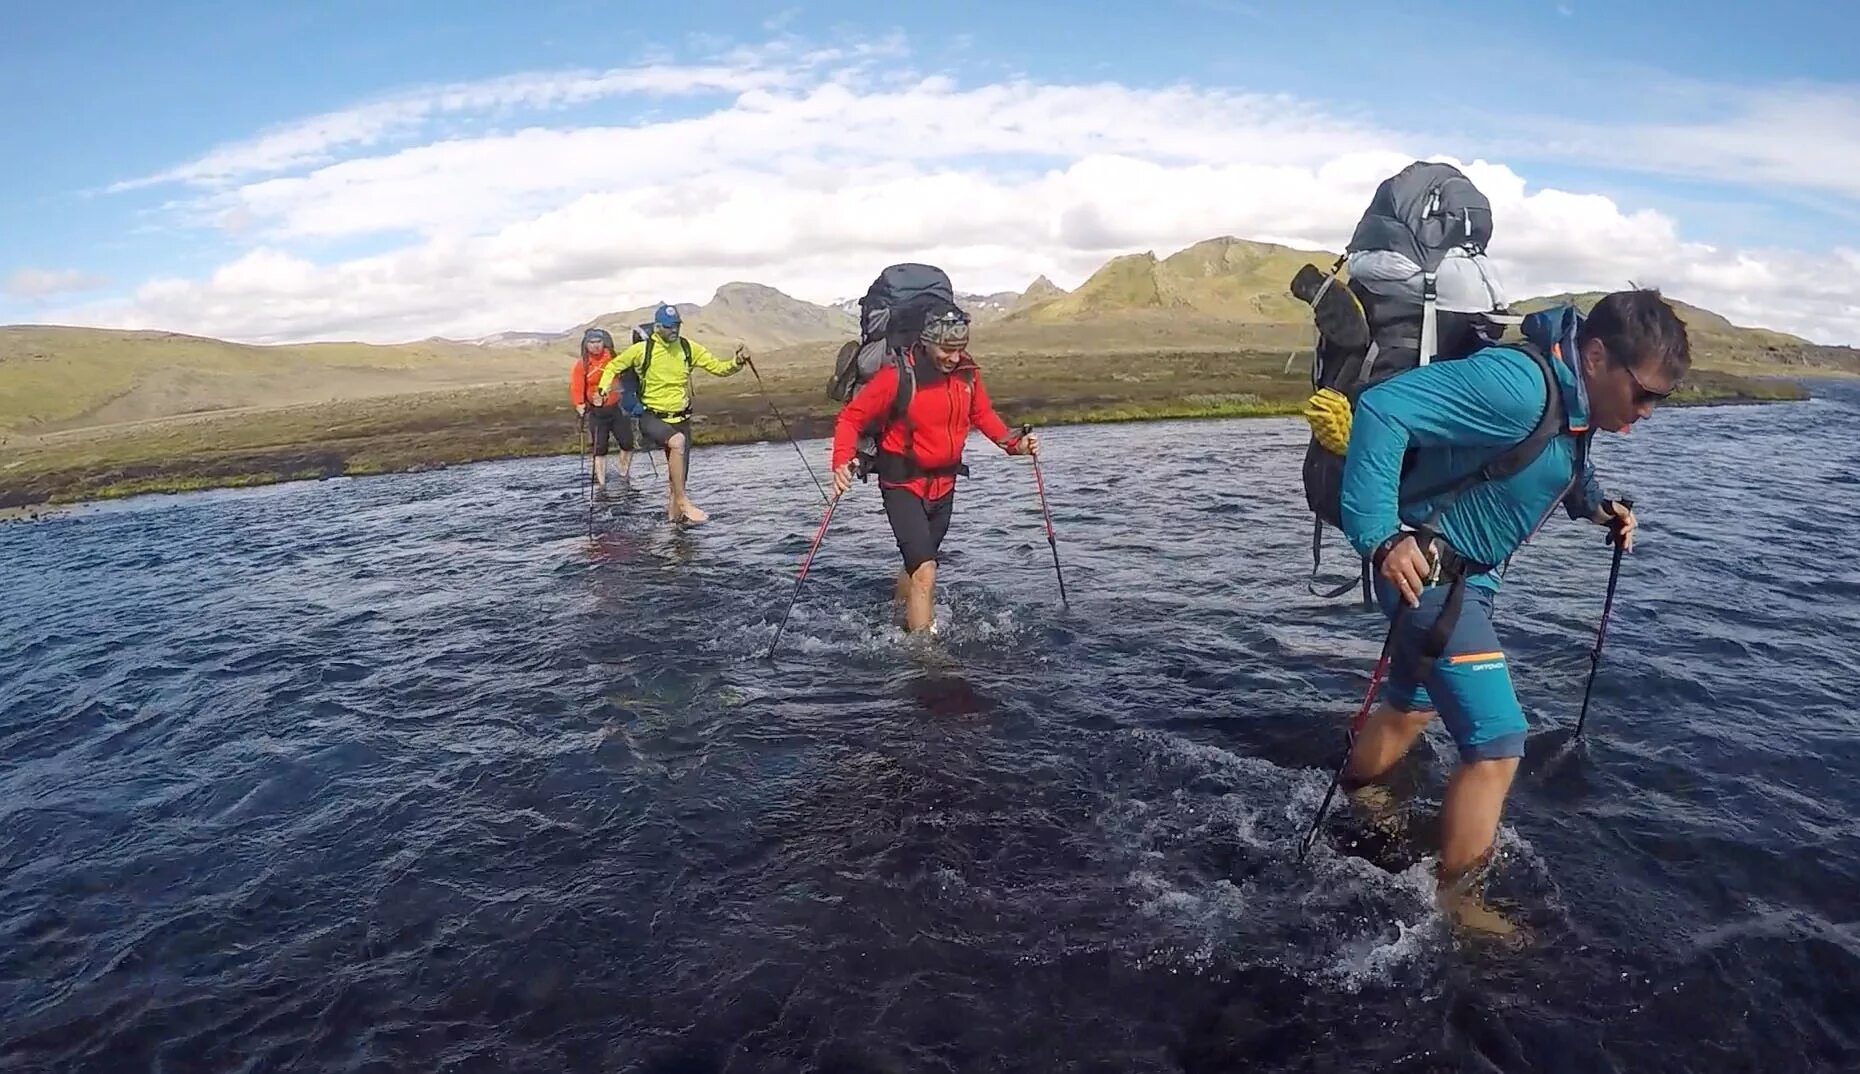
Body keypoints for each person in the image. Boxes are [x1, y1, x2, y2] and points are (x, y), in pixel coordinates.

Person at [1334, 288, 1689, 934]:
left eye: (1658, 401)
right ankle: (1458, 905)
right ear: (1597, 354)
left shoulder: (1574, 406)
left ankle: (1353, 801)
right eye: (1642, 394)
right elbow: (1383, 410)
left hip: (1464, 582)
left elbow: (1559, 467)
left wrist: (1601, 509)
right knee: (1498, 743)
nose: (1645, 413)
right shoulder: (1519, 387)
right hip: (1428, 573)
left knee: (1410, 710)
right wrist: (1380, 537)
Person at [829, 306, 1038, 633]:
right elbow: (851, 418)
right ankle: (925, 658)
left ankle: (898, 622)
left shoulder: (967, 374)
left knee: (917, 567)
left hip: (944, 486)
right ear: (926, 342)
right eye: (946, 350)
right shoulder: (896, 376)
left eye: (959, 350)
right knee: (926, 571)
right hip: (902, 486)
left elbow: (982, 415)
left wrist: (1014, 445)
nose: (954, 358)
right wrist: (841, 460)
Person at [594, 303, 749, 524]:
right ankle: (684, 503)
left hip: (681, 418)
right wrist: (602, 389)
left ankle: (674, 530)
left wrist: (737, 363)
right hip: (652, 417)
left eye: (677, 325)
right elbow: (612, 367)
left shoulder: (687, 348)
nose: (674, 330)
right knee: (677, 442)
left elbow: (719, 368)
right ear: (657, 327)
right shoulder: (642, 350)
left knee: (677, 482)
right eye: (669, 327)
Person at [569, 327, 636, 489]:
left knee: (627, 443)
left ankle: (623, 473)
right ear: (586, 345)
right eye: (591, 342)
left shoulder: (613, 358)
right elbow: (577, 387)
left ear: (603, 342)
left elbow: (625, 377)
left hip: (616, 408)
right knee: (600, 449)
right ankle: (601, 483)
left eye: (598, 341)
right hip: (596, 411)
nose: (595, 345)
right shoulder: (582, 365)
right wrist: (579, 404)